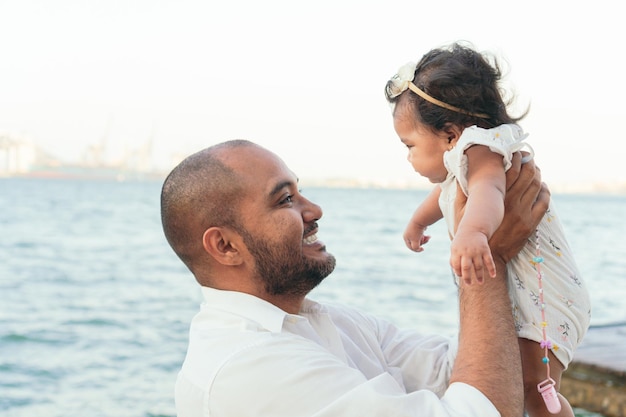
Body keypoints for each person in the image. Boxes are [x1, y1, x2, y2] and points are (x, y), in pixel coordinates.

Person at [161, 139, 548, 417]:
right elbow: (488, 408)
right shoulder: (247, 366)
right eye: (285, 200)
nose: (314, 210)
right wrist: (486, 258)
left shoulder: (337, 323)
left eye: (301, 192)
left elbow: (466, 369)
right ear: (225, 246)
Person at [384, 42, 591, 417]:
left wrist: (474, 232)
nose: (409, 157)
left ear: (449, 133)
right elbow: (442, 196)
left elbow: (489, 190)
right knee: (521, 381)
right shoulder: (461, 165)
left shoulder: (481, 152)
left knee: (534, 385)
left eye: (410, 145)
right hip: (528, 290)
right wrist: (418, 221)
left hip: (543, 293)